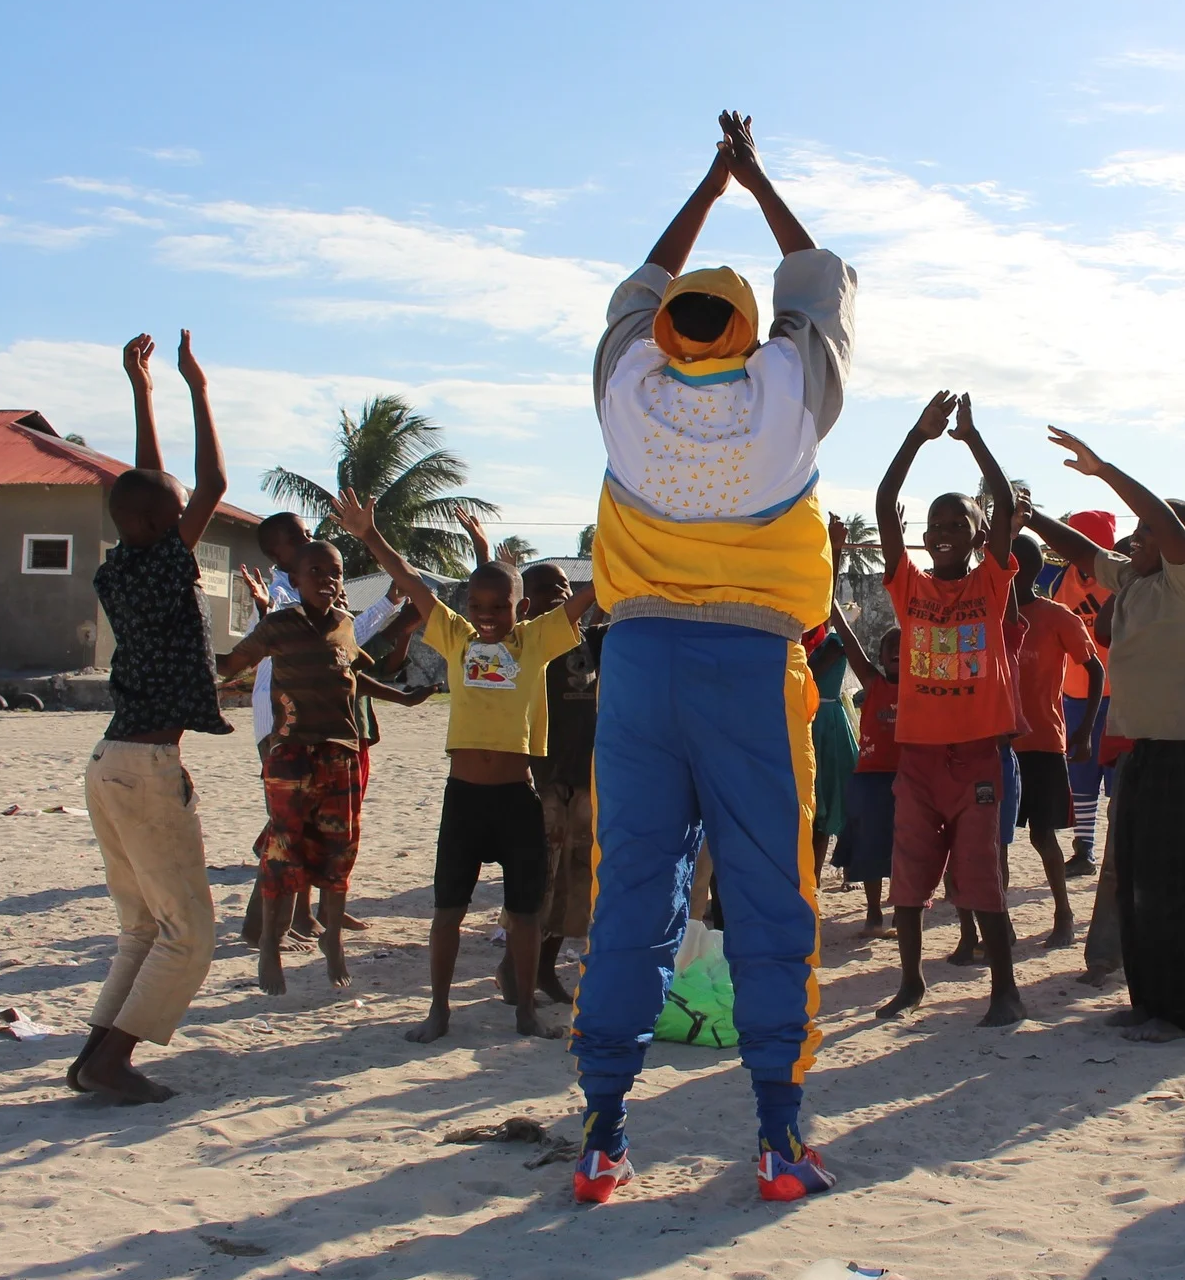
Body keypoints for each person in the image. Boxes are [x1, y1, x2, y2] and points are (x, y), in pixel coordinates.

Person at [572, 111, 852, 1205]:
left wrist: (704, 181)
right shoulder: (786, 397)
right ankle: (779, 1138)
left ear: (669, 334)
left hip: (636, 662)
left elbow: (643, 280)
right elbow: (812, 277)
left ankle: (602, 1134)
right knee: (772, 893)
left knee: (629, 890)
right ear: (746, 333)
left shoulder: (624, 393)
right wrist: (757, 177)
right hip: (751, 668)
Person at [331, 493, 593, 1039]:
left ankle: (524, 1009)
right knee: (448, 911)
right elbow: (409, 581)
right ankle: (438, 1011)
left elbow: (587, 598)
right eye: (479, 606)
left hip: (517, 799)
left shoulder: (536, 641)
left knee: (525, 913)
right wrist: (368, 535)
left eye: (500, 607)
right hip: (464, 800)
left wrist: (624, 548)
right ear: (468, 606)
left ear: (521, 609)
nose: (488, 617)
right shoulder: (455, 636)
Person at [1029, 433, 1185, 1042]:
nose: (1133, 541)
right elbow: (1078, 548)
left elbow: (1163, 521)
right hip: (1144, 749)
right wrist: (1029, 515)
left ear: (1179, 546)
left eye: (1145, 535)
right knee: (1139, 881)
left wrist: (1104, 470)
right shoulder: (1133, 579)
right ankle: (1148, 1000)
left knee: (1182, 886)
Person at [70, 332, 230, 1103]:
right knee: (189, 934)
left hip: (110, 764)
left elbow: (147, 485)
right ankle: (110, 1062)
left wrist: (143, 391)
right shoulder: (167, 560)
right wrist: (195, 386)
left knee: (142, 926)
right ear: (165, 526)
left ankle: (94, 1056)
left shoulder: (122, 562)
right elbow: (208, 480)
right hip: (142, 768)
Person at [871, 390, 1028, 1026]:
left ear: (977, 535)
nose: (943, 536)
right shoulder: (909, 587)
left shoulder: (989, 584)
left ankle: (1005, 990)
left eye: (957, 526)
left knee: (980, 875)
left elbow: (1007, 501)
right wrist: (917, 434)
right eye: (935, 527)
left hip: (976, 759)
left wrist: (970, 438)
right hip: (918, 759)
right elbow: (884, 503)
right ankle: (911, 983)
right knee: (906, 877)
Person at [220, 537, 422, 996]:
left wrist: (405, 698)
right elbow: (233, 664)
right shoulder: (279, 626)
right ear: (294, 579)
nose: (327, 580)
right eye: (316, 572)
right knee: (283, 850)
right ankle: (269, 944)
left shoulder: (345, 626)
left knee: (339, 849)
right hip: (291, 754)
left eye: (335, 572)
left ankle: (332, 942)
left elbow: (355, 676)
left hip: (341, 754)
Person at [1007, 529, 1100, 946]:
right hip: (997, 743)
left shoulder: (1058, 615)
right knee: (996, 840)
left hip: (1042, 741)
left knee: (1043, 836)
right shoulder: (990, 616)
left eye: (1013, 565)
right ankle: (1000, 923)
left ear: (1029, 569)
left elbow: (1095, 669)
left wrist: (1083, 730)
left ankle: (1063, 913)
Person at [527, 567, 605, 1009]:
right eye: (545, 590)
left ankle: (544, 969)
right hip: (547, 779)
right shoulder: (530, 643)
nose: (558, 595)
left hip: (583, 777)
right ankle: (521, 969)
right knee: (542, 880)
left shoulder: (592, 641)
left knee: (575, 883)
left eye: (563, 587)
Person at [1055, 510, 1119, 874]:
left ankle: (1114, 850)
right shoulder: (1060, 578)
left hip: (1118, 693)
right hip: (1075, 694)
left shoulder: (1120, 577)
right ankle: (1084, 849)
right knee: (1080, 775)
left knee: (1117, 779)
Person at [832, 609, 900, 934]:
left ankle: (905, 909)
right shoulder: (873, 684)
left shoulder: (923, 689)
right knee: (872, 848)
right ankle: (874, 914)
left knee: (907, 848)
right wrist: (830, 602)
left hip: (909, 779)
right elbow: (847, 637)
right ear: (881, 658)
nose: (899, 652)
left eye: (905, 647)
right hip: (871, 780)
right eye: (892, 648)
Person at [806, 613, 858, 879]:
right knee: (818, 804)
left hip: (827, 724)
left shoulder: (835, 644)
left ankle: (845, 871)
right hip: (811, 720)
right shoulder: (807, 647)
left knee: (834, 796)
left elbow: (811, 674)